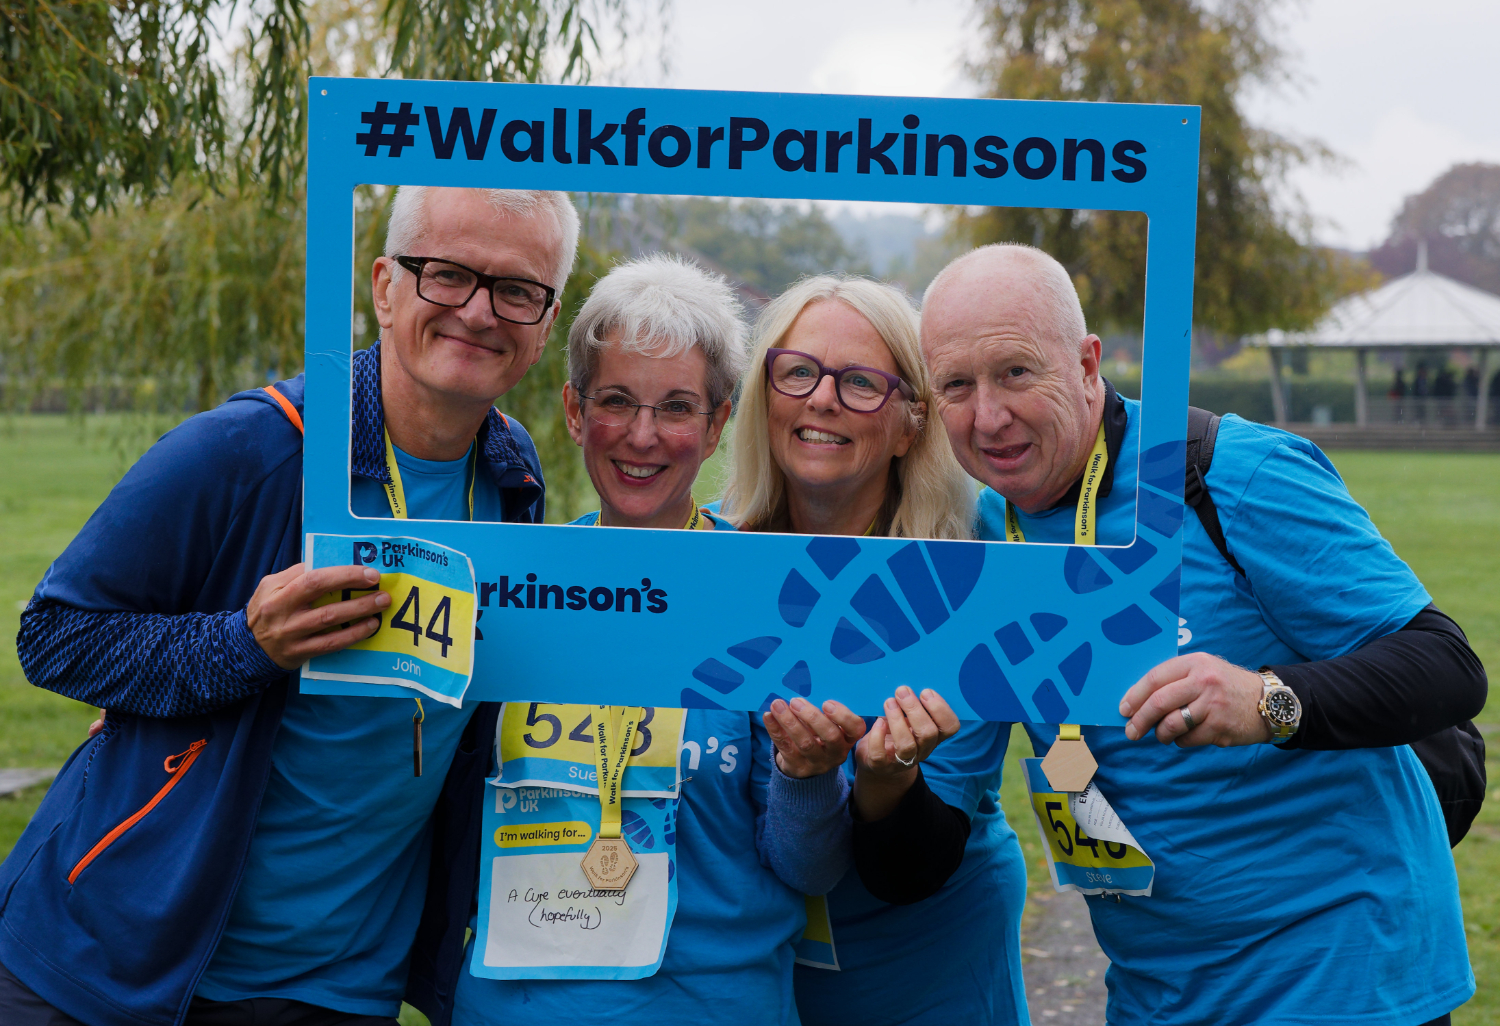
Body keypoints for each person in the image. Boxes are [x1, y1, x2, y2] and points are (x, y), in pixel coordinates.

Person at [2, 185, 578, 1026]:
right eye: (447, 274)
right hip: (111, 966)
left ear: (546, 322)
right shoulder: (248, 449)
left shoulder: (510, 473)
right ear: (384, 286)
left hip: (334, 987)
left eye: (517, 290)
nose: (479, 311)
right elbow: (53, 636)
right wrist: (243, 645)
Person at [919, 242, 1486, 1026]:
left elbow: (1447, 666)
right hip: (1160, 995)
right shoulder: (980, 539)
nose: (988, 415)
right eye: (957, 385)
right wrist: (878, 780)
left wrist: (1266, 700)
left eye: (1016, 372)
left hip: (1347, 980)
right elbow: (925, 835)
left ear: (1087, 363)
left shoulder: (1227, 472)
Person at [449, 254, 849, 1026]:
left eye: (675, 407)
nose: (642, 435)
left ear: (718, 422)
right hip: (514, 1007)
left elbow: (813, 868)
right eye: (617, 401)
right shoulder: (508, 584)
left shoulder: (773, 597)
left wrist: (808, 774)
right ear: (572, 410)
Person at [721, 275, 1031, 1026]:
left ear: (909, 425)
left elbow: (916, 863)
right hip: (761, 975)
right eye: (798, 372)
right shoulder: (710, 555)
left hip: (931, 972)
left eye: (861, 382)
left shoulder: (969, 573)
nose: (822, 399)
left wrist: (887, 780)